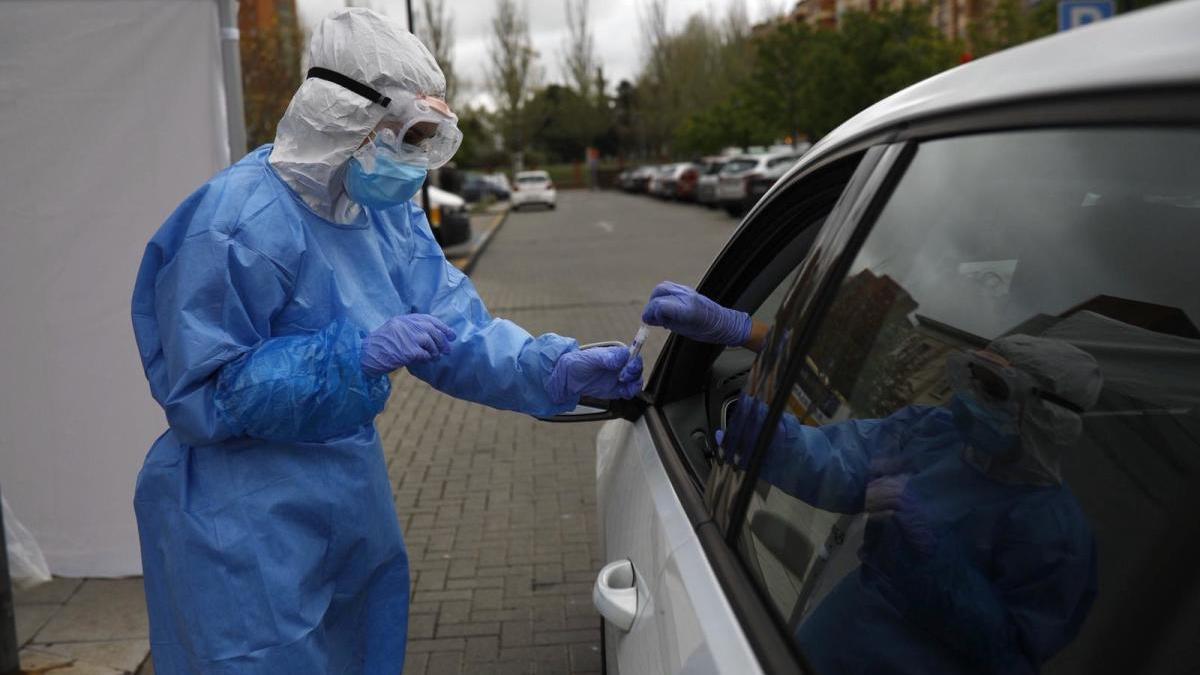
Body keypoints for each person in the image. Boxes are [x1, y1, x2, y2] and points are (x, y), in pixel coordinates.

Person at [131, 10, 640, 674]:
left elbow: (453, 326)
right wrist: (347, 358)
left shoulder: (383, 210)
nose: (415, 159)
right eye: (408, 136)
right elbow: (201, 391)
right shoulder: (233, 225)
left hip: (348, 494)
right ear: (342, 116)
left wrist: (554, 367)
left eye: (427, 140)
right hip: (240, 525)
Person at [642, 281, 1101, 674]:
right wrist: (759, 430)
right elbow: (838, 461)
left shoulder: (1059, 534)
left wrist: (934, 558)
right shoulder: (935, 433)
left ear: (1048, 417)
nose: (970, 398)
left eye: (994, 390)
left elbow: (1011, 655)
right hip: (839, 627)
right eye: (973, 377)